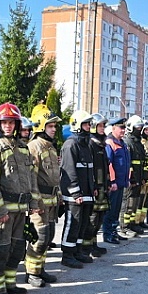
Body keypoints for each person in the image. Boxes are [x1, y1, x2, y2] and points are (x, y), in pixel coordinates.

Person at [0, 102, 41, 294]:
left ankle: (10, 283)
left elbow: (31, 178)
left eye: (11, 122)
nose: (8, 126)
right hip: (4, 211)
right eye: (4, 122)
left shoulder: (24, 149)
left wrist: (34, 202)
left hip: (20, 210)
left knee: (16, 249)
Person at [23, 104, 61, 287]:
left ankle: (40, 268)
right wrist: (34, 202)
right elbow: (31, 179)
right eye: (50, 126)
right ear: (40, 126)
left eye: (55, 126)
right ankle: (31, 272)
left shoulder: (51, 147)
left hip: (51, 201)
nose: (54, 129)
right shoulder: (34, 147)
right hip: (39, 204)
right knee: (39, 237)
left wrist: (58, 195)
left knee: (48, 236)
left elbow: (54, 176)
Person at [59, 110, 95, 268]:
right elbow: (69, 170)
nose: (89, 127)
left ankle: (77, 251)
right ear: (78, 125)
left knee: (82, 223)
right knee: (72, 223)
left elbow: (89, 169)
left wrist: (91, 188)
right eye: (86, 124)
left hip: (86, 192)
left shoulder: (86, 143)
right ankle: (67, 254)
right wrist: (76, 192)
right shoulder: (71, 144)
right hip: (75, 194)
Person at [103, 118, 131, 244]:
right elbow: (109, 164)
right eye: (121, 128)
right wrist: (112, 181)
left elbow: (125, 163)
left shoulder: (122, 143)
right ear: (113, 128)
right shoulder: (110, 143)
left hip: (121, 182)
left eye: (124, 128)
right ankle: (108, 233)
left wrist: (127, 179)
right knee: (111, 210)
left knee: (117, 209)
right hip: (114, 184)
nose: (123, 130)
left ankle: (114, 231)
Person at [87, 113, 111, 255]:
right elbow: (91, 168)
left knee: (100, 217)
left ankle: (94, 244)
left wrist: (107, 182)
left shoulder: (101, 144)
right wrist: (94, 185)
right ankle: (88, 246)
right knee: (93, 218)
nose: (102, 128)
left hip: (103, 187)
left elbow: (105, 166)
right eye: (100, 125)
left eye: (103, 126)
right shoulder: (91, 144)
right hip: (96, 187)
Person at [121, 115, 148, 236]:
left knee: (135, 203)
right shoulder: (128, 142)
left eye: (141, 127)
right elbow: (129, 162)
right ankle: (124, 226)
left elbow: (142, 161)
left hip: (139, 177)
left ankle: (132, 224)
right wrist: (131, 178)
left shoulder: (138, 142)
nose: (140, 129)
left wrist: (143, 177)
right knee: (128, 203)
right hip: (131, 179)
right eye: (137, 127)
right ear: (131, 127)